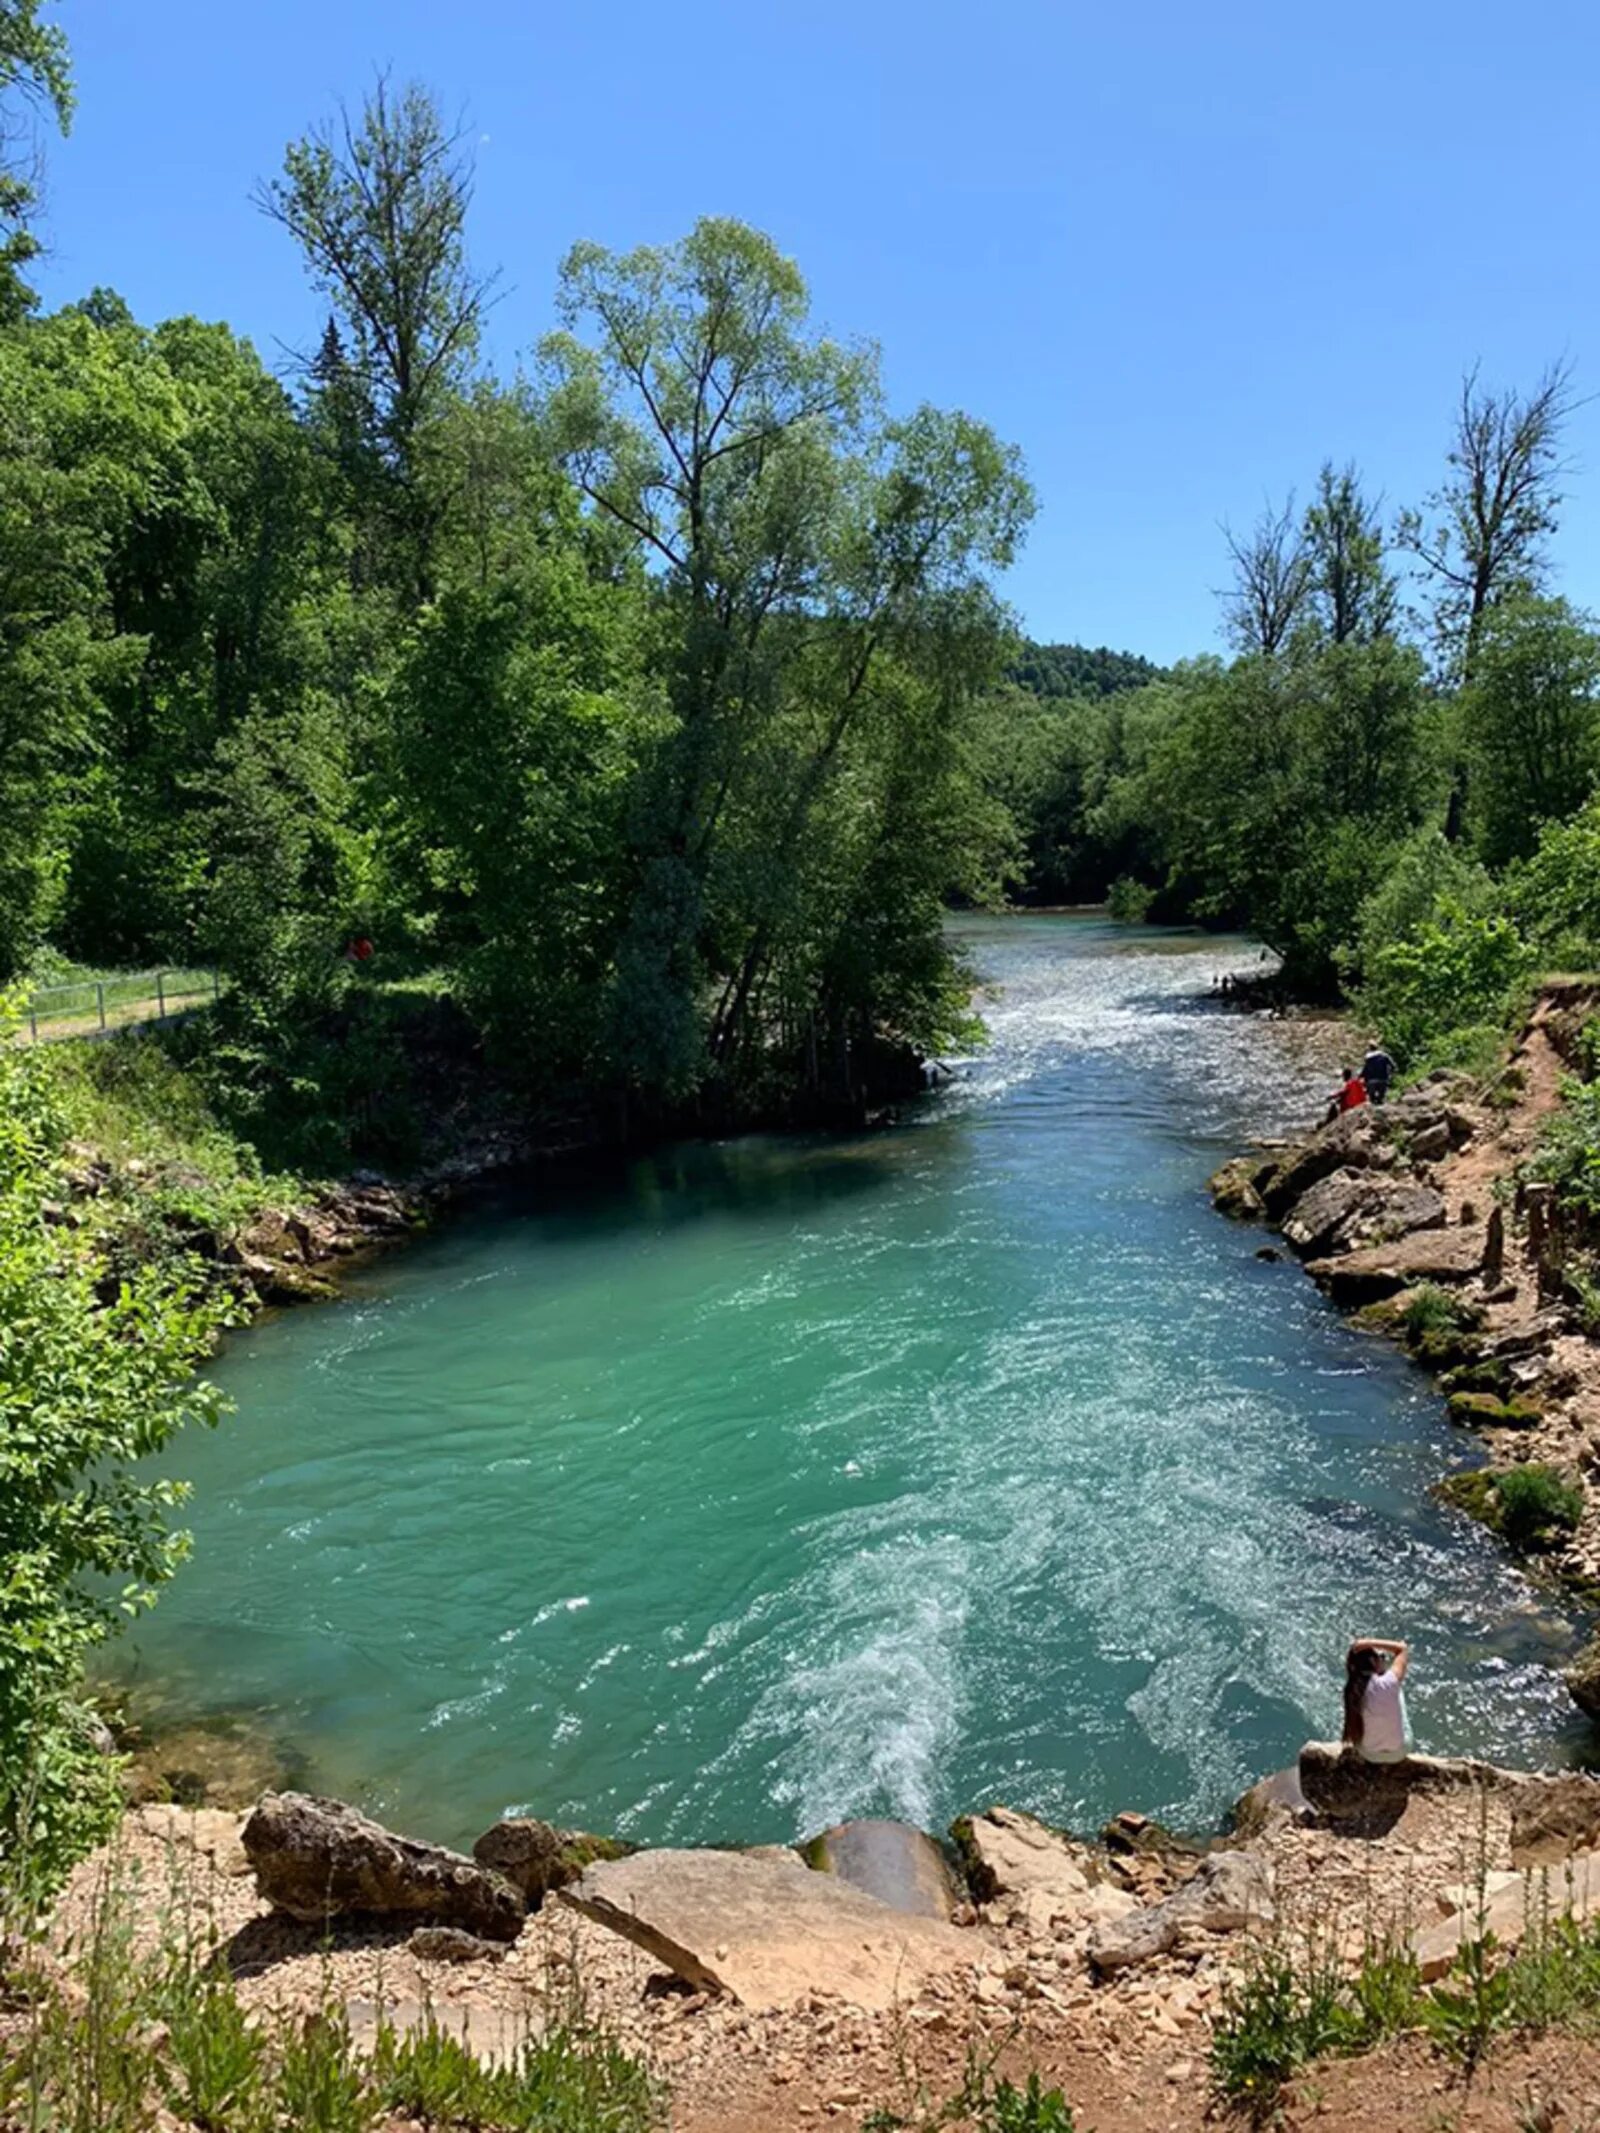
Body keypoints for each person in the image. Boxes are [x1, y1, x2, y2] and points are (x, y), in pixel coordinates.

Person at [1342, 1637, 1410, 1763]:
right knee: (1397, 1691)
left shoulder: (1351, 1691)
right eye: (1381, 1656)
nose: (1382, 1660)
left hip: (1368, 1754)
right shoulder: (1389, 1681)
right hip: (1398, 1753)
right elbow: (1402, 1649)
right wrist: (1368, 1642)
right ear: (1373, 1661)